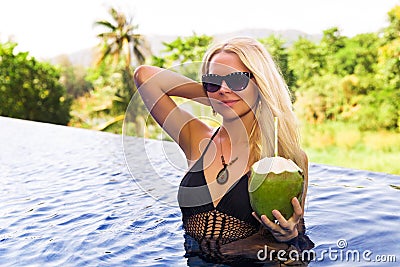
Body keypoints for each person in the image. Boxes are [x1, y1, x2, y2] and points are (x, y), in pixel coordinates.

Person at [134, 36, 313, 265]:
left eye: (237, 79)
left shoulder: (284, 158)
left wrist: (289, 236)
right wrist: (216, 95)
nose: (224, 89)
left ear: (260, 83)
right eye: (213, 81)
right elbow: (145, 76)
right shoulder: (196, 138)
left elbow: (297, 243)